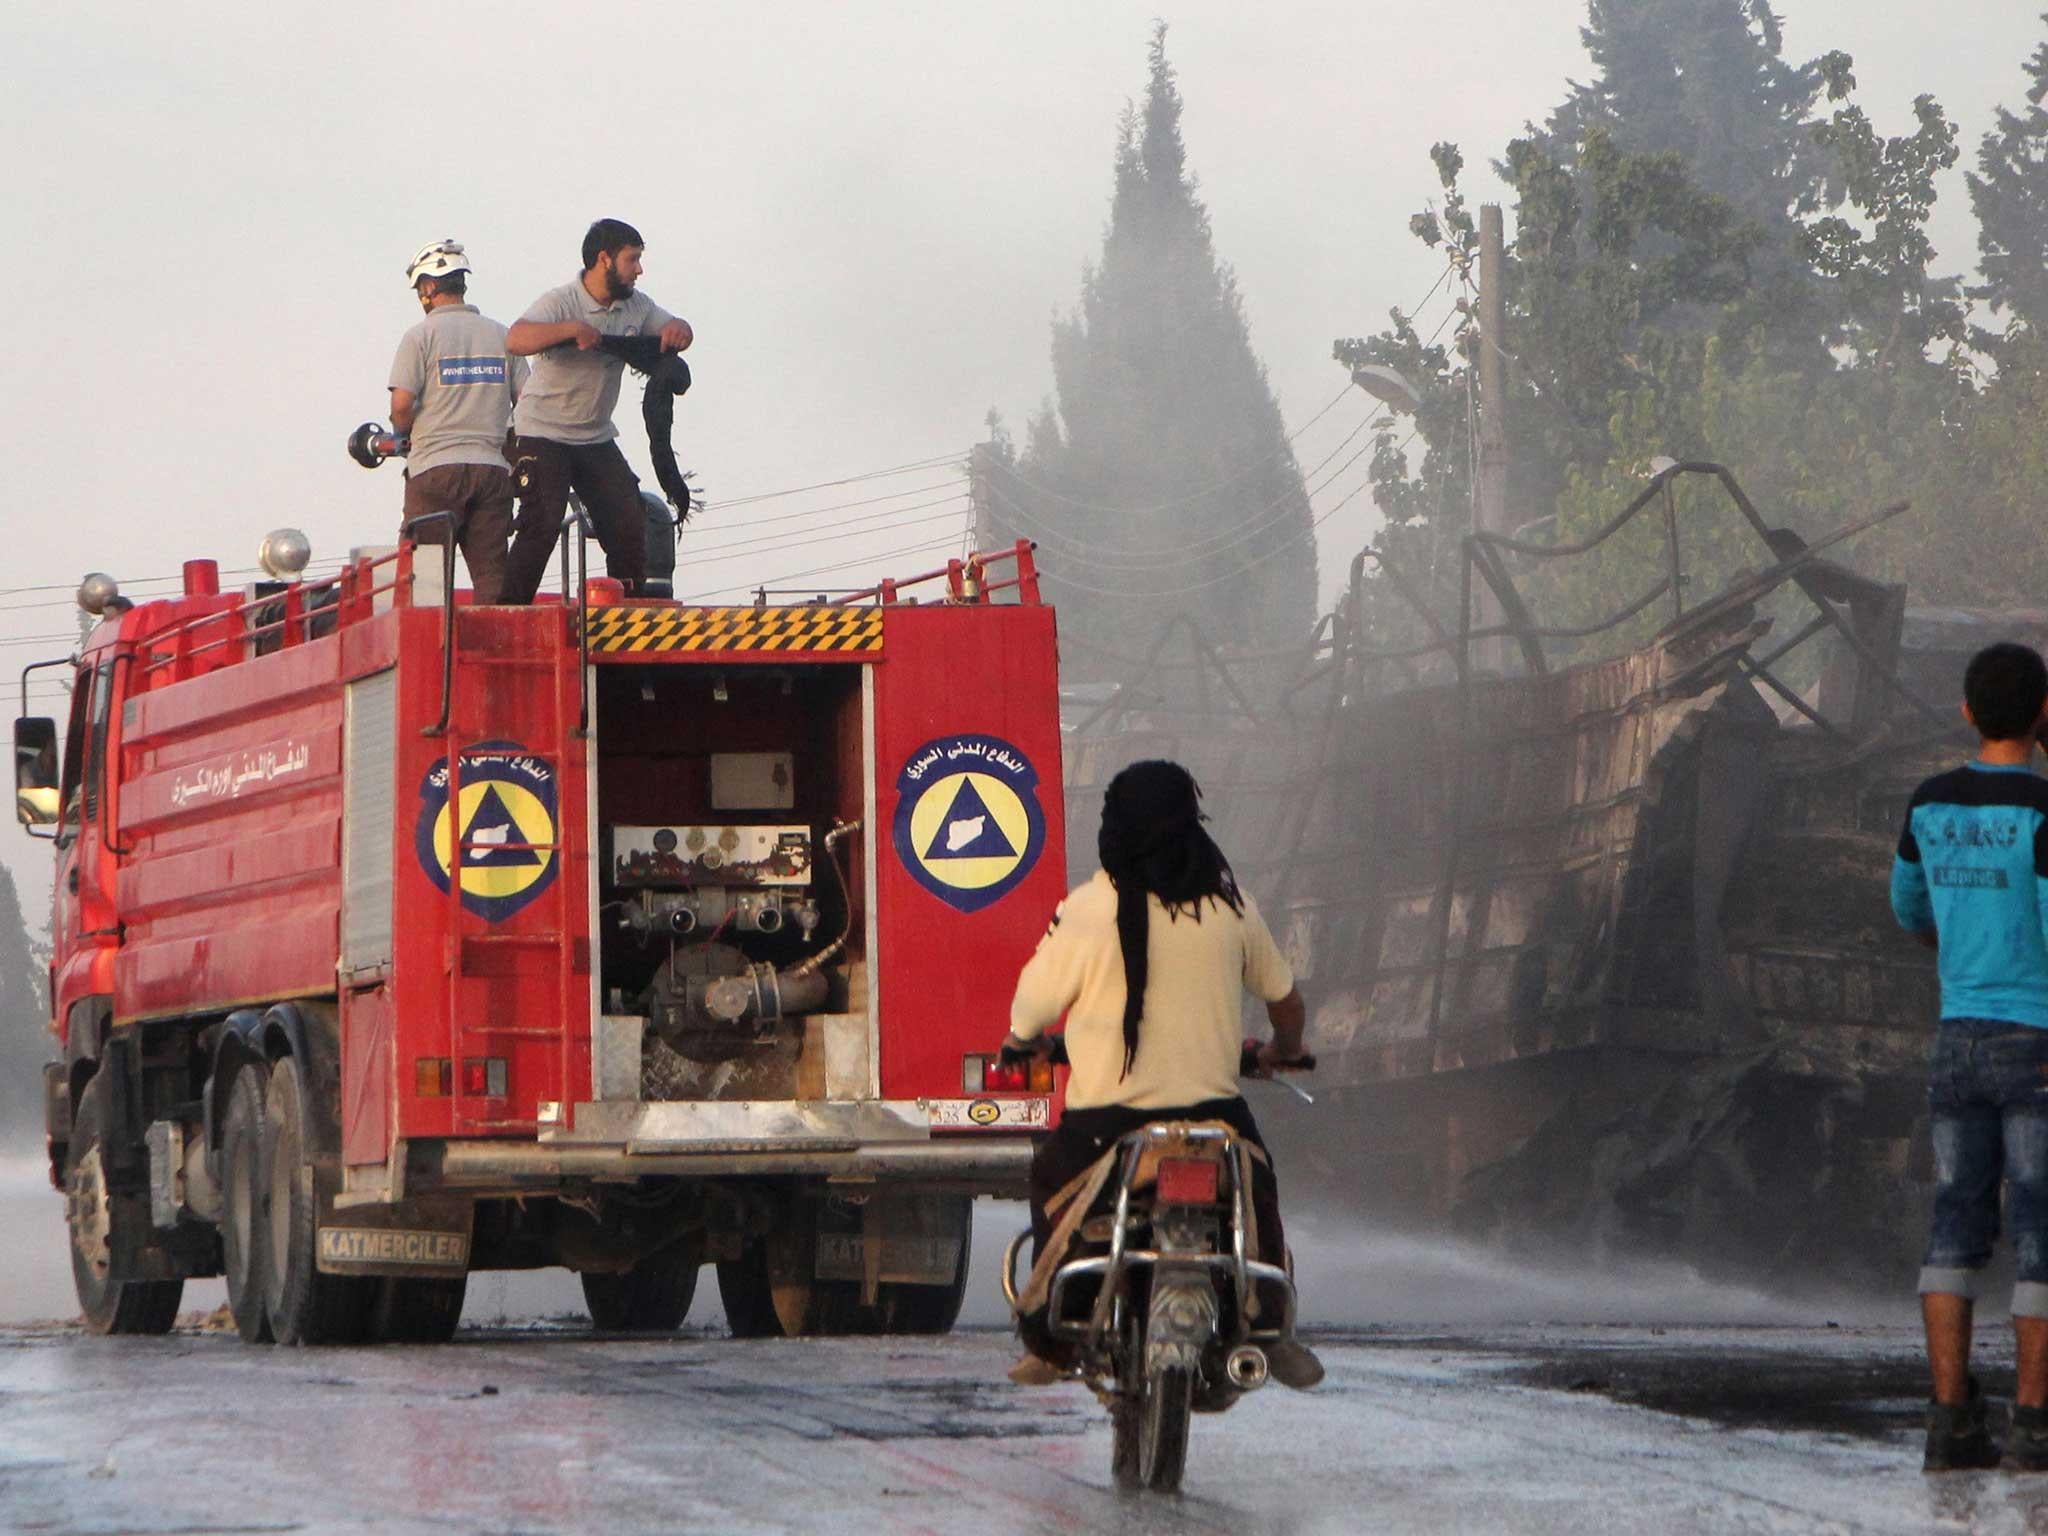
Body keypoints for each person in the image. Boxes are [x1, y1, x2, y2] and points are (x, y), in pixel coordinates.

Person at [1002, 758, 1323, 1390]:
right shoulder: (1231, 906)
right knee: (1258, 1190)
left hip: (1104, 1128)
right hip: (1215, 1118)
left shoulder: (1089, 907)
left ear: (1114, 827)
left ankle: (1048, 1342)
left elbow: (1030, 1011)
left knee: (1048, 1181)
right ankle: (1273, 1325)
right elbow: (1285, 1000)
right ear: (1192, 824)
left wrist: (1023, 1043)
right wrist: (1285, 1047)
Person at [1894, 641, 2048, 1472]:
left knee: (1955, 1220)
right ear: (2042, 713)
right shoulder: (2044, 809)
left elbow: (1905, 902)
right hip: (2038, 1041)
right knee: (2042, 1229)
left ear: (1965, 712)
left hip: (1957, 1035)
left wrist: (1955, 942)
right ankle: (2034, 1423)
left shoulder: (1930, 803)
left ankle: (1950, 1417)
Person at [499, 219, 693, 604]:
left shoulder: (637, 306)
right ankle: (510, 612)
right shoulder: (562, 302)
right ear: (604, 260)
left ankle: (629, 616)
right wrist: (570, 330)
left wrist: (679, 330)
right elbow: (516, 338)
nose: (639, 269)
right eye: (632, 259)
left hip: (595, 437)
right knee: (543, 520)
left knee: (628, 523)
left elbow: (676, 326)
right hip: (540, 431)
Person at [387, 240, 525, 604]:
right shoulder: (502, 335)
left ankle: (432, 656)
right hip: (493, 472)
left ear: (429, 287)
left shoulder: (420, 336)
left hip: (434, 472)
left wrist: (402, 435)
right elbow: (527, 403)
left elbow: (401, 403)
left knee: (425, 587)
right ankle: (497, 653)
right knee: (493, 579)